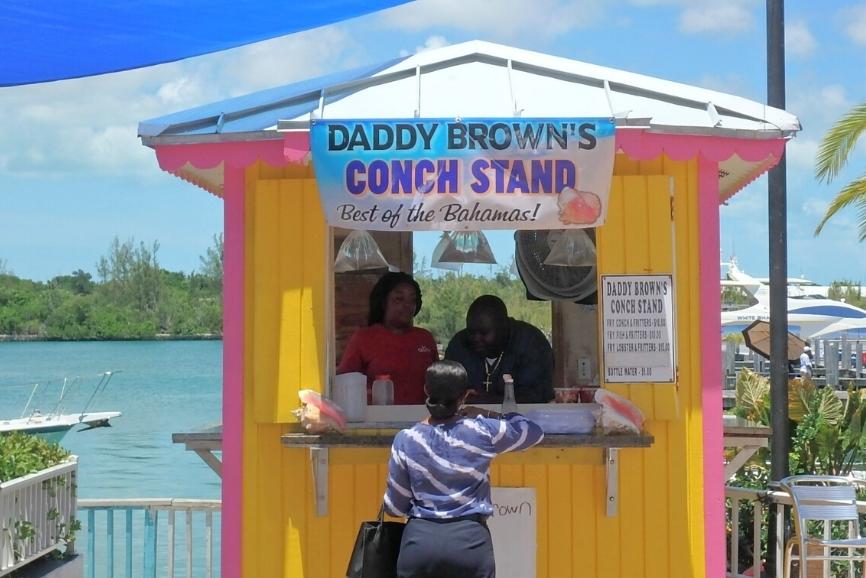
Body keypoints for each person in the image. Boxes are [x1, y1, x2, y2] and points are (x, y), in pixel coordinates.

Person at [384, 360, 544, 578]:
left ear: (425, 390)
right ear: (465, 395)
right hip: (470, 543)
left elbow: (394, 507)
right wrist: (489, 414)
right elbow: (533, 432)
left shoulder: (406, 439)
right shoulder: (482, 431)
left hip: (420, 545)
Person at [338, 272, 438, 405]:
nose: (407, 305)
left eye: (412, 300)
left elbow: (439, 383)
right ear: (383, 302)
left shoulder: (425, 338)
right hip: (377, 421)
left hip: (422, 420)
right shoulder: (364, 338)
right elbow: (345, 383)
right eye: (399, 298)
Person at [445, 295, 554, 403]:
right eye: (471, 332)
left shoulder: (532, 343)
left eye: (484, 333)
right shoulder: (459, 344)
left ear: (504, 327)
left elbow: (537, 397)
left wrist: (486, 401)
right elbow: (446, 392)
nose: (476, 338)